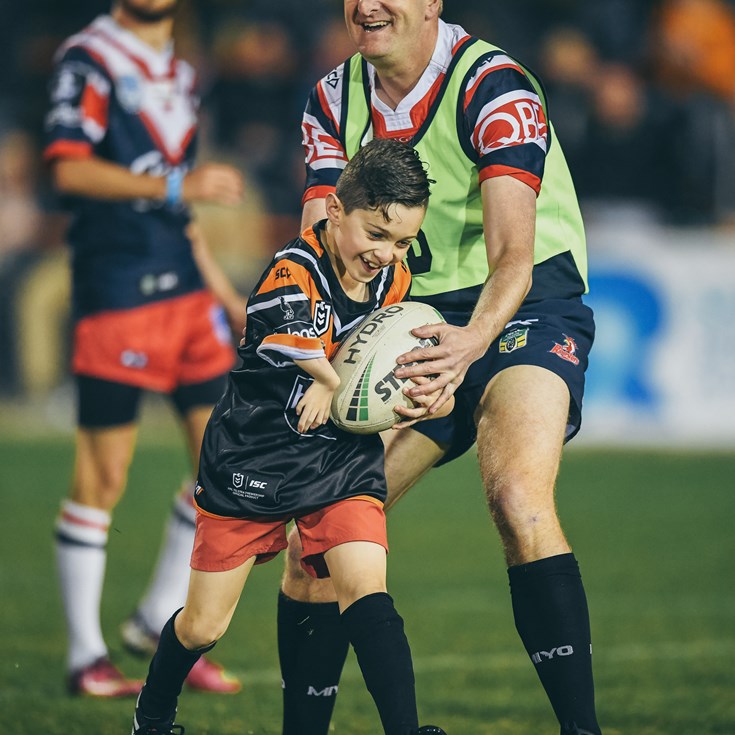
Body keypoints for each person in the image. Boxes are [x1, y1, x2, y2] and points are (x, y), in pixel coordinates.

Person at [278, 2, 602, 734]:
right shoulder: (333, 98)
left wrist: (466, 344)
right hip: (409, 329)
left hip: (522, 311)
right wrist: (312, 355)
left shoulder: (493, 86)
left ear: (432, 3)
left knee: (518, 498)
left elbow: (512, 259)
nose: (366, 5)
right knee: (315, 540)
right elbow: (318, 251)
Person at [130, 138, 449, 735]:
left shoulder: (393, 280)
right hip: (254, 456)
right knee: (204, 626)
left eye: (402, 241)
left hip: (338, 459)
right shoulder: (292, 270)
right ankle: (152, 715)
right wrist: (329, 382)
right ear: (334, 212)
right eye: (375, 234)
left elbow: (398, 358)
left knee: (365, 587)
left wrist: (431, 392)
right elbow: (292, 342)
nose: (387, 253)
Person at [44, 0, 245, 697]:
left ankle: (157, 616)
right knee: (103, 476)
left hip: (188, 293)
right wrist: (173, 183)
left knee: (222, 465)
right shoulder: (90, 57)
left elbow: (180, 206)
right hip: (119, 287)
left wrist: (222, 293)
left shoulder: (180, 69)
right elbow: (68, 171)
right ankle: (84, 656)